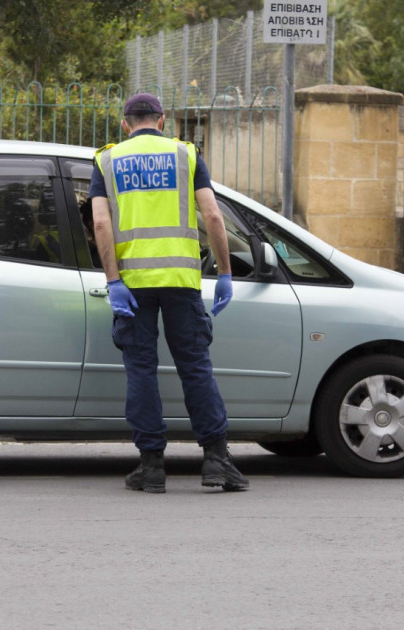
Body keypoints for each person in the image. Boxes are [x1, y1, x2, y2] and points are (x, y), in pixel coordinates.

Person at [89, 92, 248, 493]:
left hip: (134, 286)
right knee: (195, 367)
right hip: (181, 281)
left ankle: (151, 466)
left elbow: (101, 225)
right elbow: (212, 214)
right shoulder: (186, 154)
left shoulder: (107, 160)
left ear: (126, 124)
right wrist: (225, 271)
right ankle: (216, 461)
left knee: (141, 370)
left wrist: (113, 281)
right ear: (162, 121)